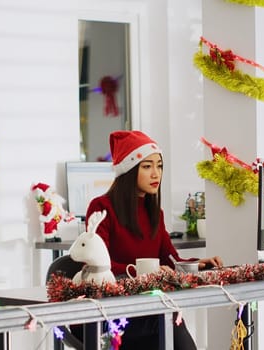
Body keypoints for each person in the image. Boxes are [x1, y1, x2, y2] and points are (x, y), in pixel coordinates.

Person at [86, 130, 223, 350]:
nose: (156, 174)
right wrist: (142, 270)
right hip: (114, 314)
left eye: (159, 166)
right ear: (130, 169)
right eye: (147, 166)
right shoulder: (102, 208)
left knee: (169, 318)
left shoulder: (154, 213)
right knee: (169, 320)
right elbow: (96, 267)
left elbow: (170, 260)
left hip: (148, 309)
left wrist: (197, 264)